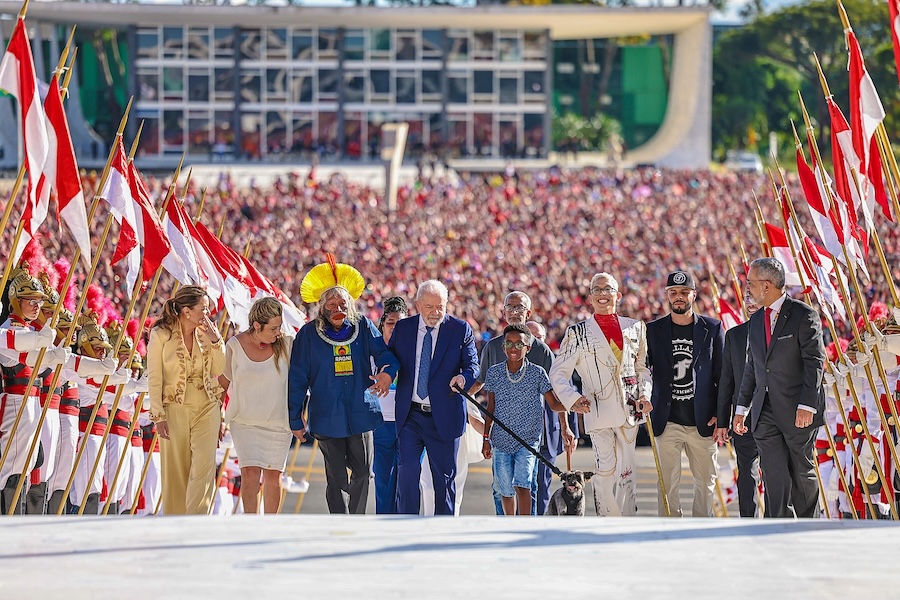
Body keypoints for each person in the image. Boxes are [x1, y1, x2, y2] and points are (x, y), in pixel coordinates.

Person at [288, 256, 398, 514]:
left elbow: (385, 355)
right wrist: (295, 419)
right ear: (322, 308)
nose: (337, 308)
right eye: (331, 304)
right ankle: (339, 521)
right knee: (336, 479)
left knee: (362, 473)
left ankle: (356, 521)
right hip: (327, 416)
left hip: (361, 413)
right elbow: (297, 379)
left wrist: (387, 374)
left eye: (342, 303)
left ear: (349, 305)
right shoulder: (308, 334)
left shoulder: (362, 325)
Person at [549, 272, 651, 517]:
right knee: (605, 469)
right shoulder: (578, 332)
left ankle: (626, 522)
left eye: (608, 289)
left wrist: (645, 394)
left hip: (630, 411)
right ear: (590, 297)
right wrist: (573, 400)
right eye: (597, 290)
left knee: (628, 472)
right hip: (597, 410)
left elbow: (642, 368)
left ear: (618, 295)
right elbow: (558, 373)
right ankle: (607, 520)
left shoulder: (636, 327)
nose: (603, 294)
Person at [734, 257, 826, 518]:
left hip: (799, 410)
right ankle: (778, 529)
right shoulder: (754, 321)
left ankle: (808, 524)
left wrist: (807, 404)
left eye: (750, 283)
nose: (747, 289)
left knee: (801, 471)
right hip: (764, 412)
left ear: (766, 285)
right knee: (773, 474)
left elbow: (815, 363)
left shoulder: (803, 315)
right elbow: (753, 367)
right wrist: (742, 408)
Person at [470, 291, 575, 516]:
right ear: (504, 312)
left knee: (528, 484)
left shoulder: (542, 351)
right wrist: (458, 397)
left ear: (528, 313)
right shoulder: (492, 347)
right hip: (501, 434)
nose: (515, 312)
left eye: (520, 308)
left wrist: (566, 426)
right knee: (501, 488)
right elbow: (480, 385)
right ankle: (504, 526)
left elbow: (555, 395)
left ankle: (528, 527)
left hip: (529, 432)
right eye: (511, 307)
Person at [389, 279, 479, 516]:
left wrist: (463, 379)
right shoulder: (404, 328)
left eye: (440, 306)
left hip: (444, 414)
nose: (435, 312)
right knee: (407, 474)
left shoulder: (459, 329)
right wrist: (385, 374)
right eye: (429, 307)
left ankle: (443, 532)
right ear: (418, 304)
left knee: (444, 479)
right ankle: (405, 527)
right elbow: (389, 359)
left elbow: (472, 366)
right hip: (411, 415)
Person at [646, 270, 724, 518]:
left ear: (693, 294)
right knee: (667, 487)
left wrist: (722, 415)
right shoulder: (653, 330)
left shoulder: (712, 327)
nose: (678, 297)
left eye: (683, 292)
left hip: (703, 421)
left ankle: (700, 533)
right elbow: (641, 370)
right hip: (666, 420)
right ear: (667, 296)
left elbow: (723, 375)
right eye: (673, 293)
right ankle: (669, 533)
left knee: (705, 486)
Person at [147, 285, 226, 515]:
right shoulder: (160, 334)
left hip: (207, 406)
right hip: (174, 408)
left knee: (204, 467)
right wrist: (158, 415)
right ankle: (176, 523)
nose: (208, 314)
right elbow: (155, 377)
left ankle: (198, 523)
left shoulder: (207, 334)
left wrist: (216, 341)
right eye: (203, 308)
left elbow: (219, 369)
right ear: (186, 310)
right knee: (176, 471)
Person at [0, 265, 68, 514]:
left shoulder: (29, 331)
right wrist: (41, 341)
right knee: (11, 468)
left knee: (28, 466)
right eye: (32, 300)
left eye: (40, 301)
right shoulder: (8, 328)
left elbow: (35, 360)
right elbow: (13, 342)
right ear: (16, 301)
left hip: (31, 403)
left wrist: (55, 355)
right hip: (15, 402)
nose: (38, 306)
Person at [482, 324, 567, 515]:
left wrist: (573, 404)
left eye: (519, 344)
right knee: (505, 489)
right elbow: (491, 408)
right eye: (509, 344)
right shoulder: (494, 373)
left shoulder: (537, 373)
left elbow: (553, 403)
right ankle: (509, 524)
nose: (514, 348)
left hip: (527, 441)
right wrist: (486, 438)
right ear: (503, 347)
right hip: (501, 440)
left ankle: (525, 524)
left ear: (528, 348)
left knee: (523, 484)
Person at [222, 297, 293, 514]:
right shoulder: (234, 345)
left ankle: (270, 527)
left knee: (274, 476)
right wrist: (216, 417)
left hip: (279, 423)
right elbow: (223, 384)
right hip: (244, 423)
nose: (277, 332)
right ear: (256, 326)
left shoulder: (288, 344)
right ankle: (251, 524)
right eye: (273, 328)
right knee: (249, 474)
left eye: (279, 326)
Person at [715, 287, 762, 517]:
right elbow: (727, 381)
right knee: (746, 473)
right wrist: (723, 420)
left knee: (775, 472)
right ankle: (748, 520)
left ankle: (776, 520)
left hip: (773, 415)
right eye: (747, 298)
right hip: (742, 418)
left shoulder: (777, 331)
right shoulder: (733, 335)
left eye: (754, 298)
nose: (750, 302)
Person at [371, 296, 407, 514]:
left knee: (406, 481)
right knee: (383, 482)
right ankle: (383, 525)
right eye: (391, 322)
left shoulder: (414, 351)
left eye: (400, 323)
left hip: (408, 423)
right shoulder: (371, 350)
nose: (395, 328)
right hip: (380, 424)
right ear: (382, 324)